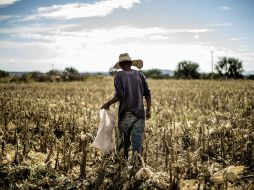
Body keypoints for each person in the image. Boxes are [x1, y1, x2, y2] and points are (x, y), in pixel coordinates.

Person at [101, 53, 152, 160]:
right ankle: (136, 164)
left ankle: (123, 162)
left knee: (124, 141)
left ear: (121, 65)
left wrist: (107, 104)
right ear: (130, 63)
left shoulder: (119, 76)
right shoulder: (140, 75)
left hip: (126, 113)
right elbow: (147, 93)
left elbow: (119, 95)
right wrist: (148, 110)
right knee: (137, 141)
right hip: (140, 114)